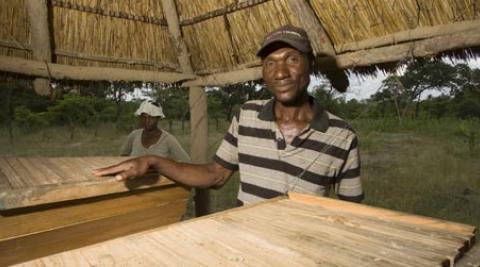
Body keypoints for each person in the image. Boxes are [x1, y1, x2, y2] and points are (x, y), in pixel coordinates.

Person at [94, 25, 363, 205]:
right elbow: (215, 175)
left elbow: (349, 212)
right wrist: (153, 161)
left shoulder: (342, 136)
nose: (280, 72)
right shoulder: (247, 116)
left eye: (291, 59)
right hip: (242, 249)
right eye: (270, 63)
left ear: (310, 63)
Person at [120, 100, 190, 163]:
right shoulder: (134, 135)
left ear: (158, 118)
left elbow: (186, 161)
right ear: (140, 117)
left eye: (151, 117)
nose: (147, 121)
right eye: (144, 117)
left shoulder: (167, 139)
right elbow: (123, 156)